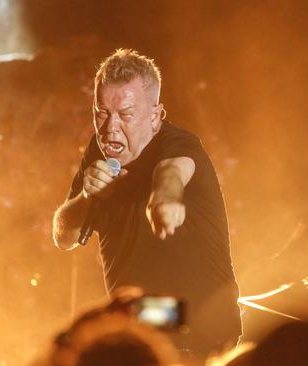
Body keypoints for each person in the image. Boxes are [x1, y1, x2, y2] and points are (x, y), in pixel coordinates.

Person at [52, 49, 242, 358]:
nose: (110, 128)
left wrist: (164, 198)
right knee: (85, 335)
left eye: (125, 115)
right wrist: (88, 197)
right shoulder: (98, 153)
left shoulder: (178, 143)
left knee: (103, 325)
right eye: (101, 113)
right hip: (142, 330)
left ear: (155, 117)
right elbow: (64, 236)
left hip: (197, 319)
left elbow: (171, 171)